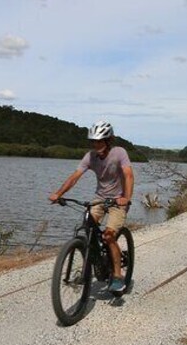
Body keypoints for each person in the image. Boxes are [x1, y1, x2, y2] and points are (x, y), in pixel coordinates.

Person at [49, 120, 134, 293]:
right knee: (87, 225)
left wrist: (126, 197)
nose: (96, 145)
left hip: (118, 201)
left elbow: (128, 175)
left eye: (100, 141)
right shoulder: (90, 156)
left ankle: (117, 275)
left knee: (109, 236)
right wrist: (59, 194)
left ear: (108, 140)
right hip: (100, 199)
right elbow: (75, 176)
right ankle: (94, 262)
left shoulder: (119, 153)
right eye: (94, 141)